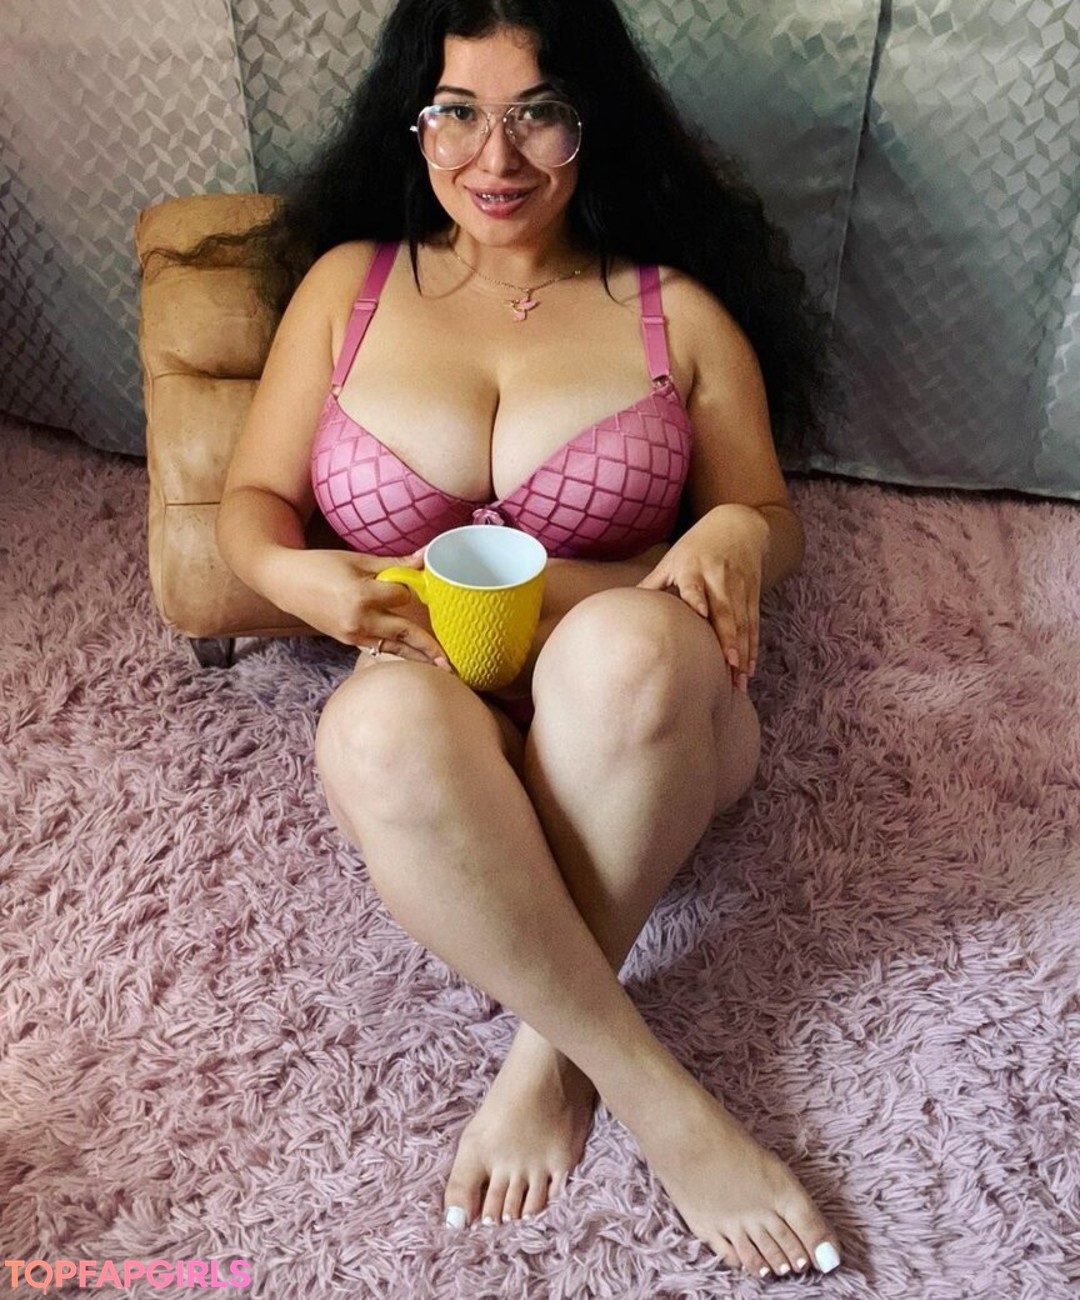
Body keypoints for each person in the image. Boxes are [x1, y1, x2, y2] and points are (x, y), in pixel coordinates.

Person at [215, 0, 842, 1280]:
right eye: (458, 113)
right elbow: (251, 502)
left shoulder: (674, 313)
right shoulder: (348, 288)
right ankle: (649, 1083)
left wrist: (738, 532)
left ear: (590, 126)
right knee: (373, 727)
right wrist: (293, 578)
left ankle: (550, 1057)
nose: (494, 160)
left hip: (645, 716)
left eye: (538, 115)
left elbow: (769, 517)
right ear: (414, 124)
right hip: (434, 699)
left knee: (630, 650)